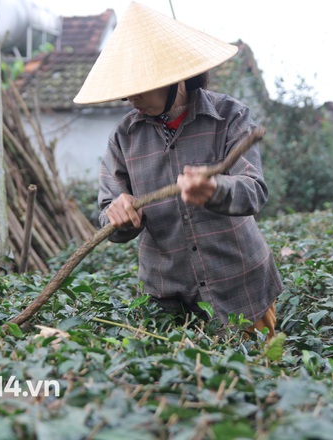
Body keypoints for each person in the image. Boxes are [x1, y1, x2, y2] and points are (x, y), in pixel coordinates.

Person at [74, 2, 283, 340]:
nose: (132, 97)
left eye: (140, 85)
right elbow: (109, 217)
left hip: (240, 288)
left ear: (175, 77)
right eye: (127, 89)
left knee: (258, 383)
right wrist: (118, 217)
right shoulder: (124, 137)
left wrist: (215, 190)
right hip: (167, 299)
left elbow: (253, 190)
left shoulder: (230, 116)